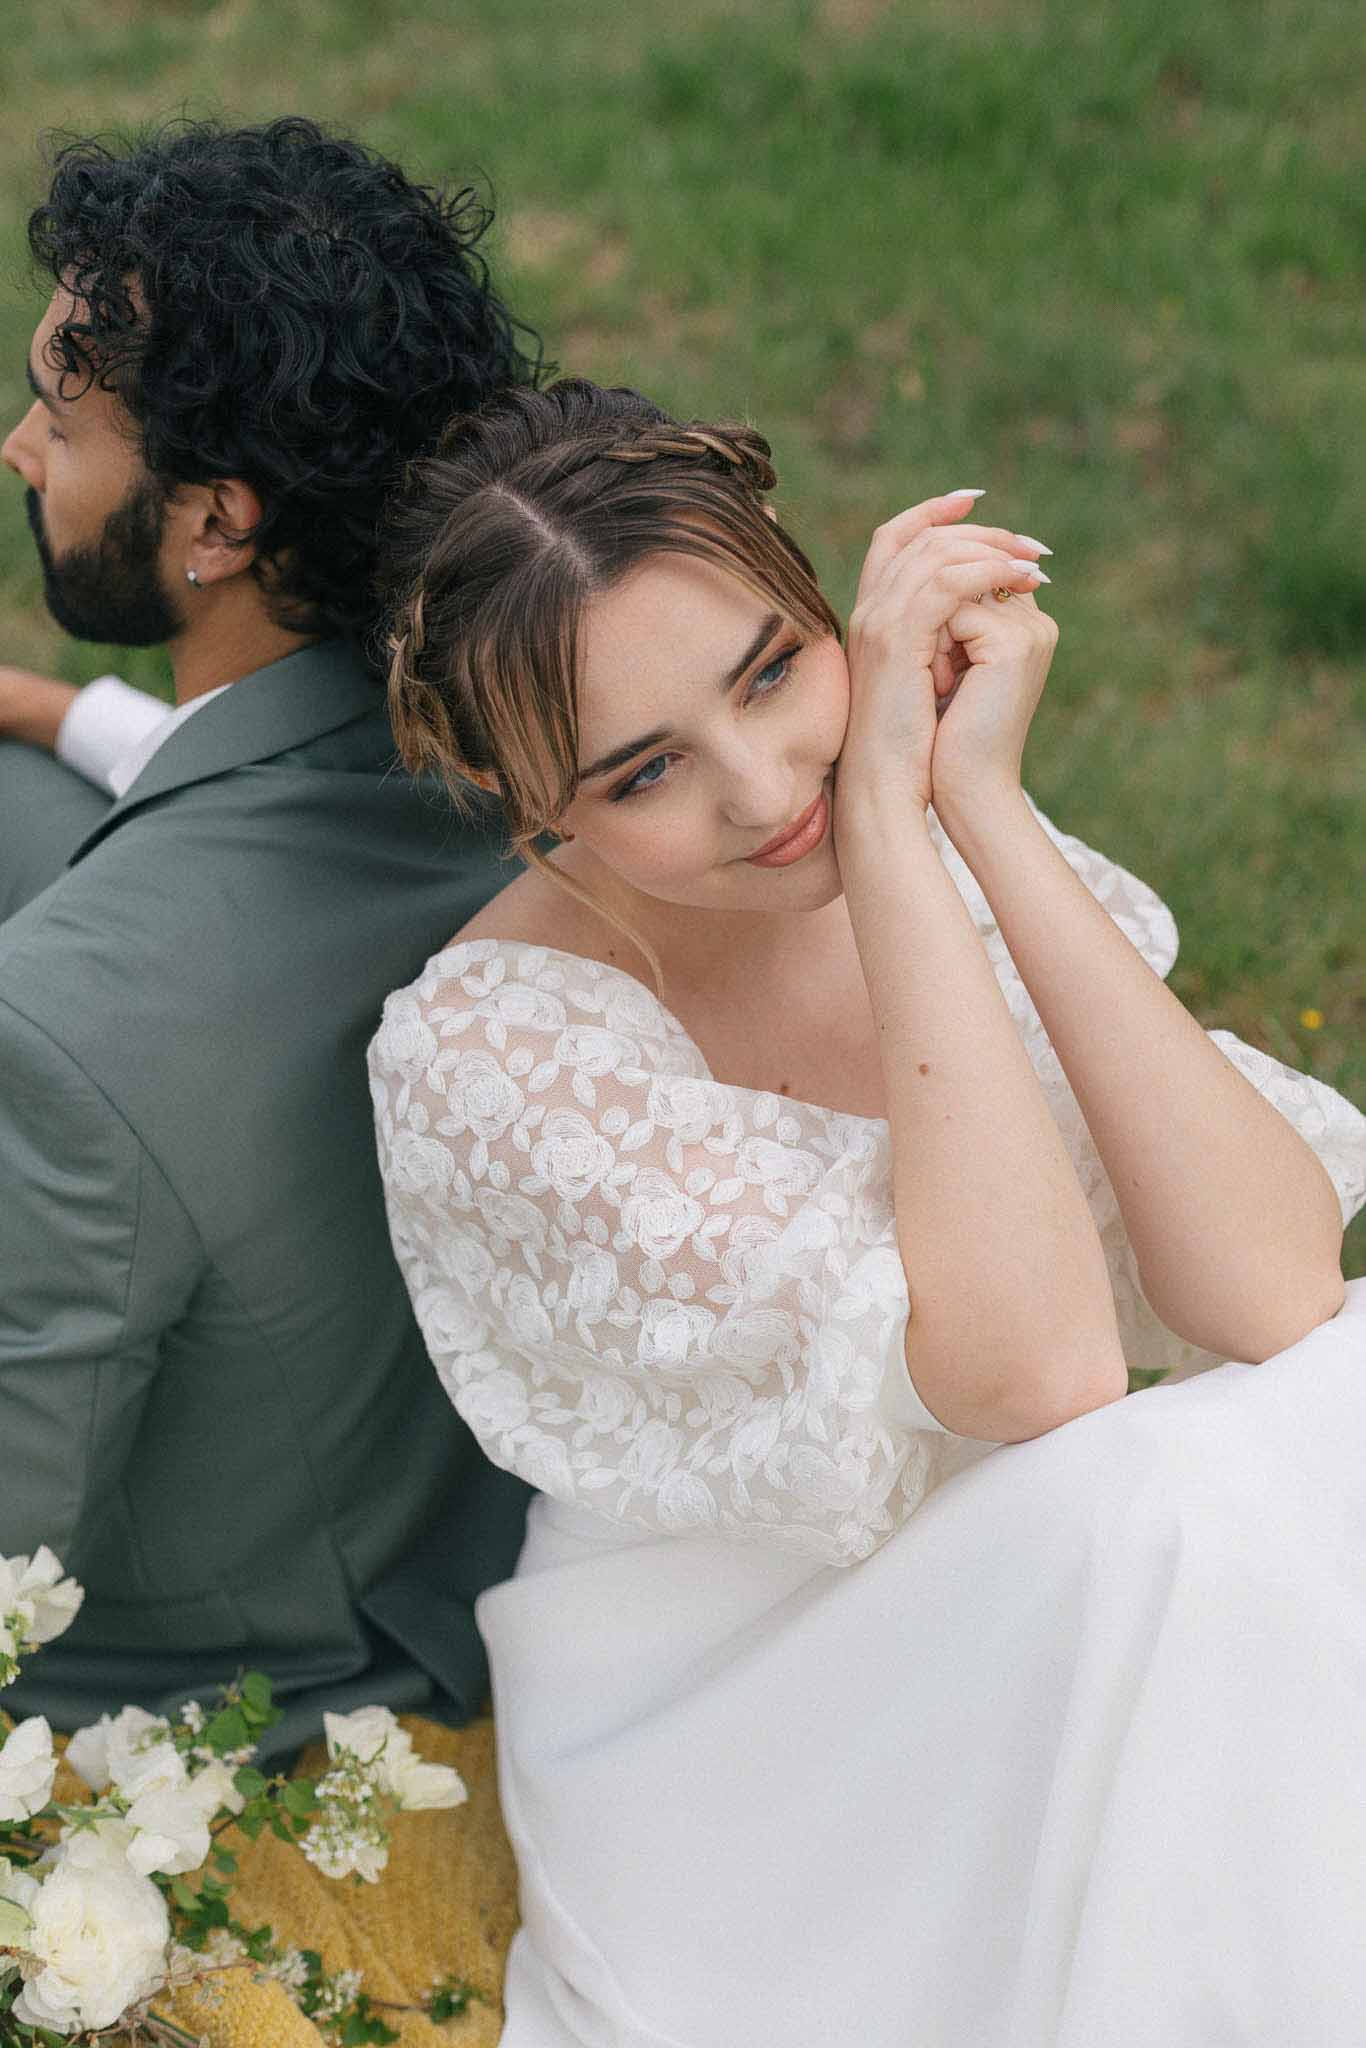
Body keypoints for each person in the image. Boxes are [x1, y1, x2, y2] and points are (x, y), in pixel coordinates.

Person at [369, 379, 1366, 2047]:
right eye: (643, 774)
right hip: (751, 1679)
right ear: (531, 808)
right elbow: (1042, 1376)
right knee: (1175, 1493)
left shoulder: (912, 819)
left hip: (1085, 1542)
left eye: (773, 674)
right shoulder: (490, 1057)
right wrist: (893, 830)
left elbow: (1274, 1290)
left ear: (829, 611)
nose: (766, 793)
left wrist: (967, 798)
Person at [0, 118, 535, 1756]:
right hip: (412, 1459)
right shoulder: (521, 710)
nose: (22, 448)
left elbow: (17, 1545)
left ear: (216, 522)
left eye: (59, 416)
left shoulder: (65, 1029)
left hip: (262, 1636)